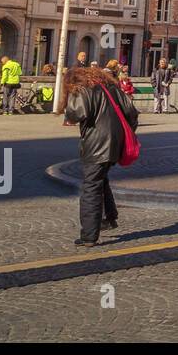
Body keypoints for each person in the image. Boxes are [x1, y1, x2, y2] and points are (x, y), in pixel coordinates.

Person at [59, 64, 138, 246]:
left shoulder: (82, 89)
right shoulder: (111, 87)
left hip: (97, 143)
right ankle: (108, 218)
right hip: (116, 142)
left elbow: (76, 113)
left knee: (90, 187)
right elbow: (131, 112)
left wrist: (70, 100)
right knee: (101, 178)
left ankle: (89, 234)